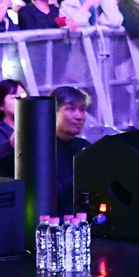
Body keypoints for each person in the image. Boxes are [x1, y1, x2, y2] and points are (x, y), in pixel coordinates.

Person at [51, 85, 93, 214]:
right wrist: (81, 171)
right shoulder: (41, 150)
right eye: (71, 109)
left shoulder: (84, 146)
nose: (79, 116)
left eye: (82, 109)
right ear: (53, 112)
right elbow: (47, 195)